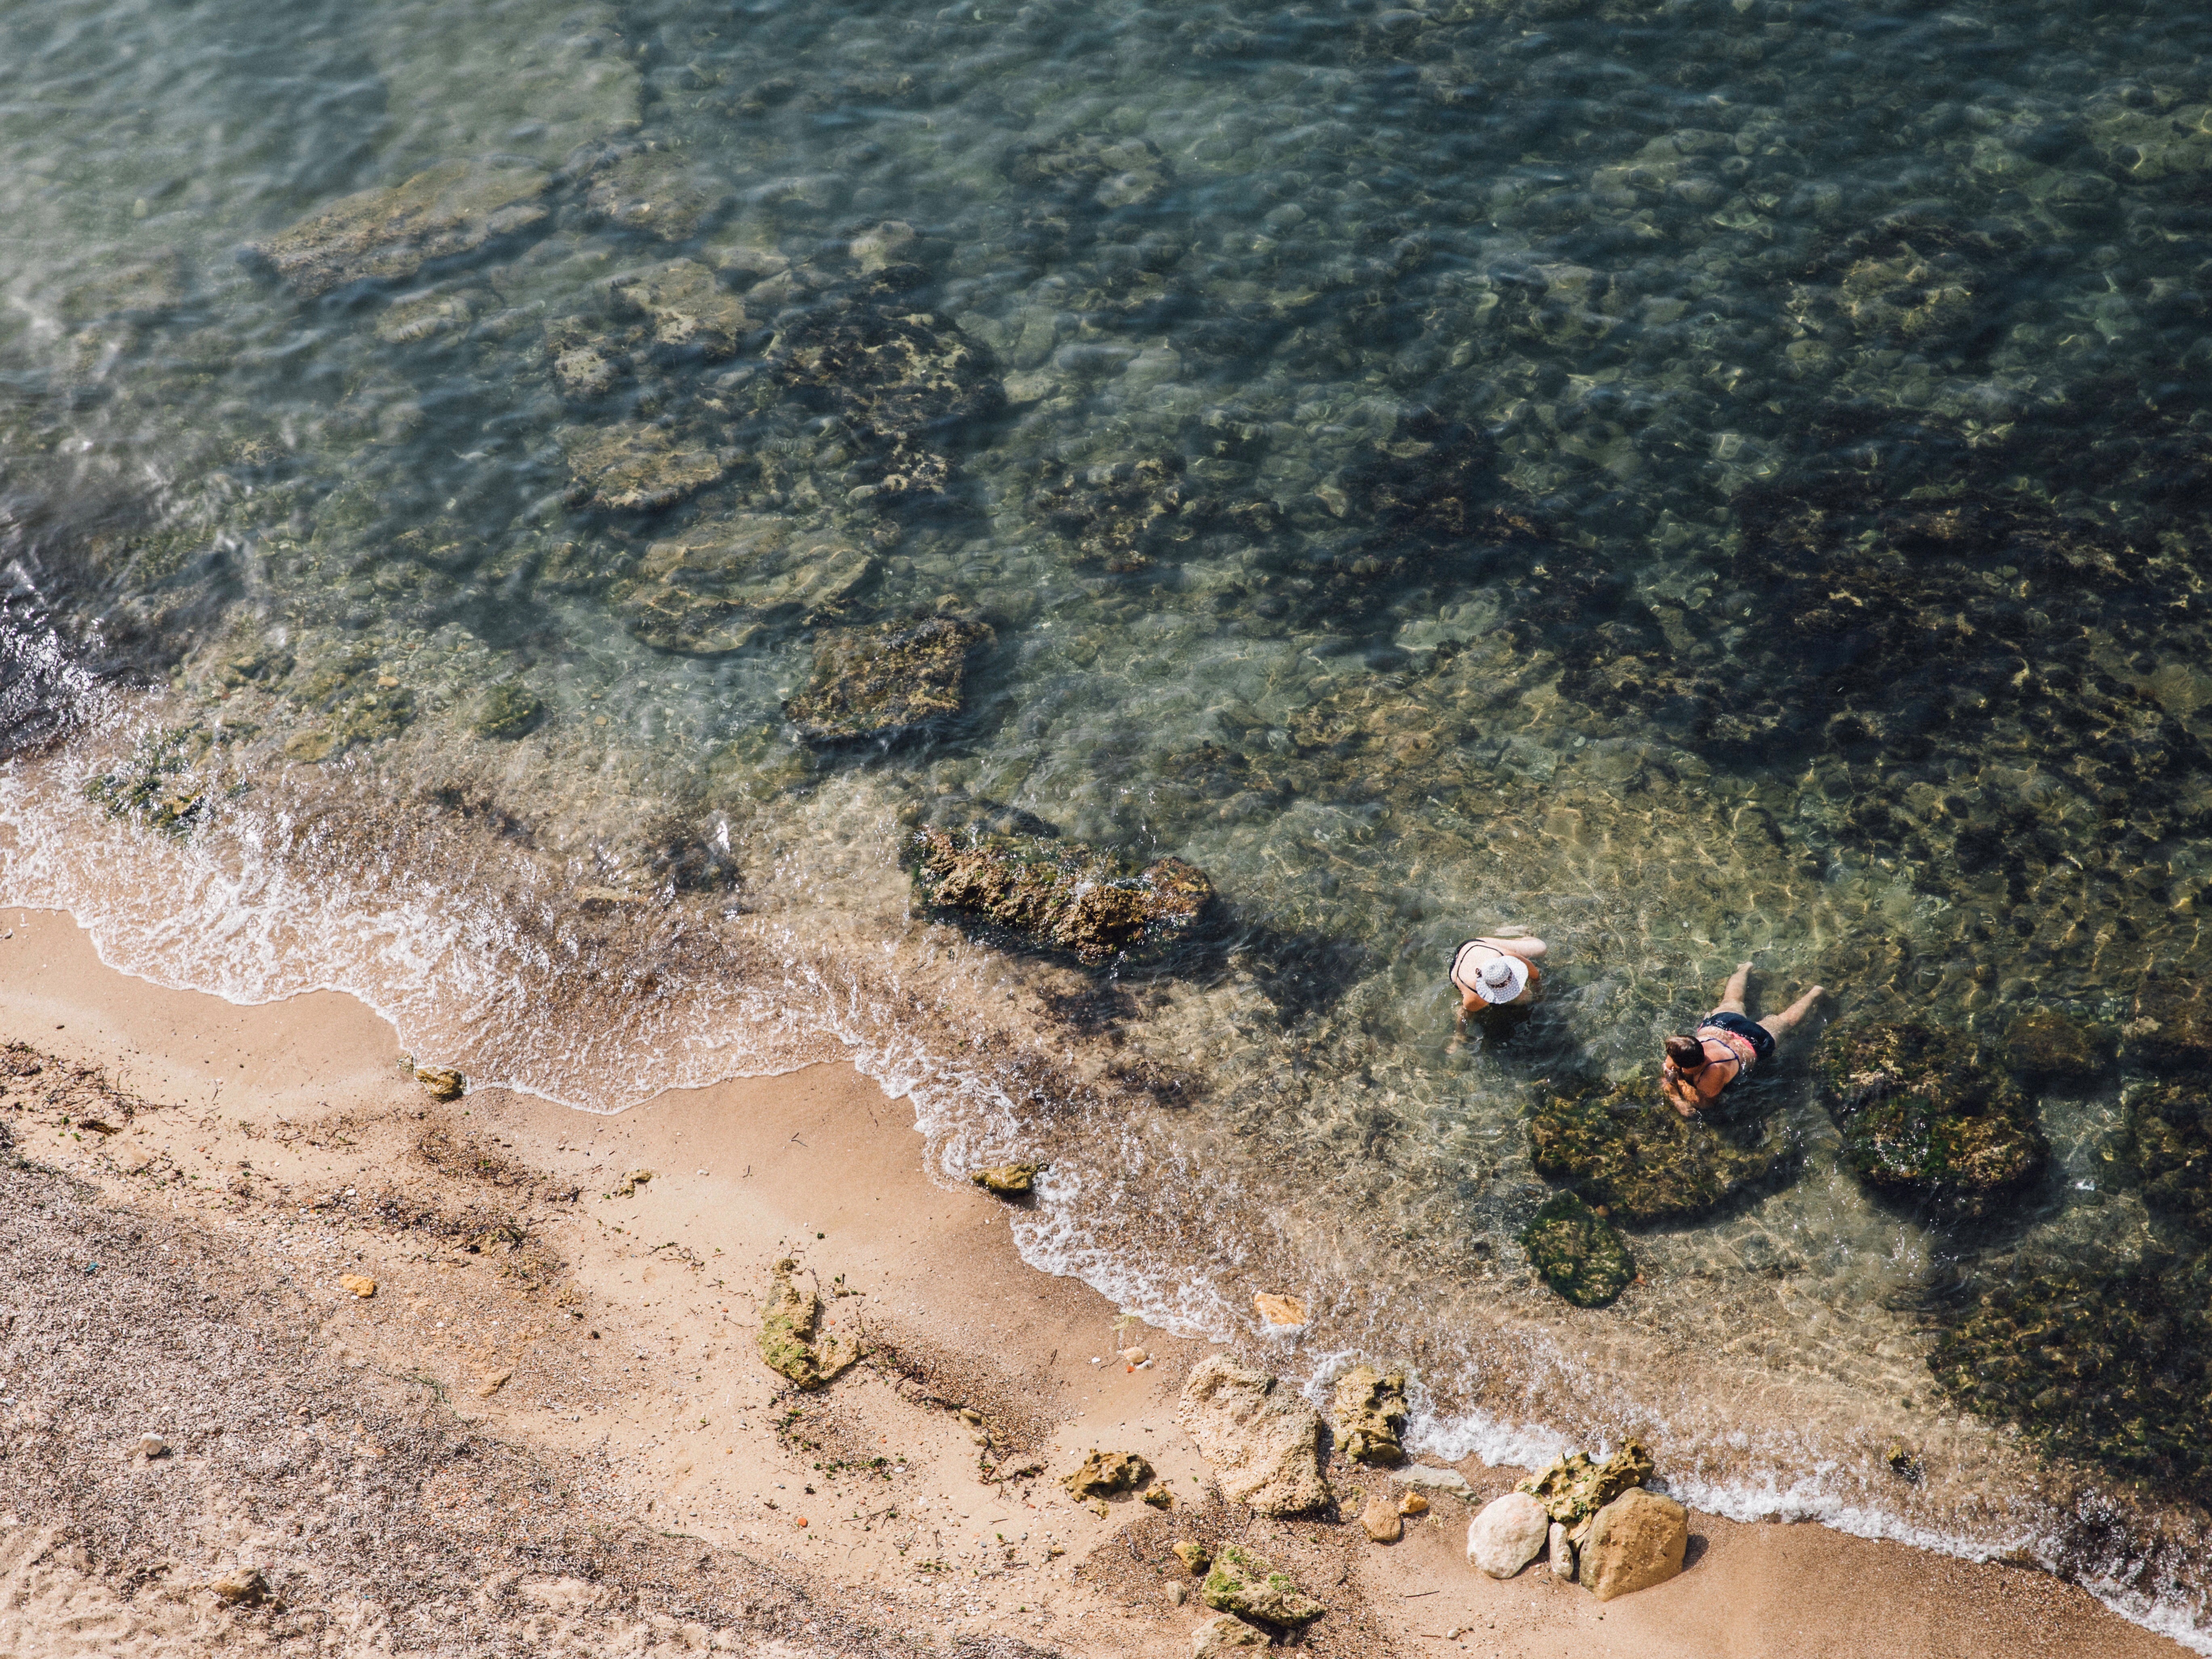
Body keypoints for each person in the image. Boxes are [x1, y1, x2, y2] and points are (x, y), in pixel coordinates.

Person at [1661, 961, 1824, 1116]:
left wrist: (1678, 1088)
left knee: (1787, 1021)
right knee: (1733, 1000)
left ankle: (1815, 993)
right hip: (1721, 1026)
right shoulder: (1687, 1048)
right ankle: (1746, 968)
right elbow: (1669, 1072)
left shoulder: (1710, 1075)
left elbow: (1706, 1103)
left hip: (1751, 1043)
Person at [1450, 933, 1548, 1039]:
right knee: (1525, 998)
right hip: (1463, 961)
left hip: (1477, 945)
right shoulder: (1475, 996)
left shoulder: (1507, 957)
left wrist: (1539, 990)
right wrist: (1459, 1035)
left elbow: (1532, 970)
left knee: (1541, 947)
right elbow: (1465, 1012)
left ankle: (1506, 932)